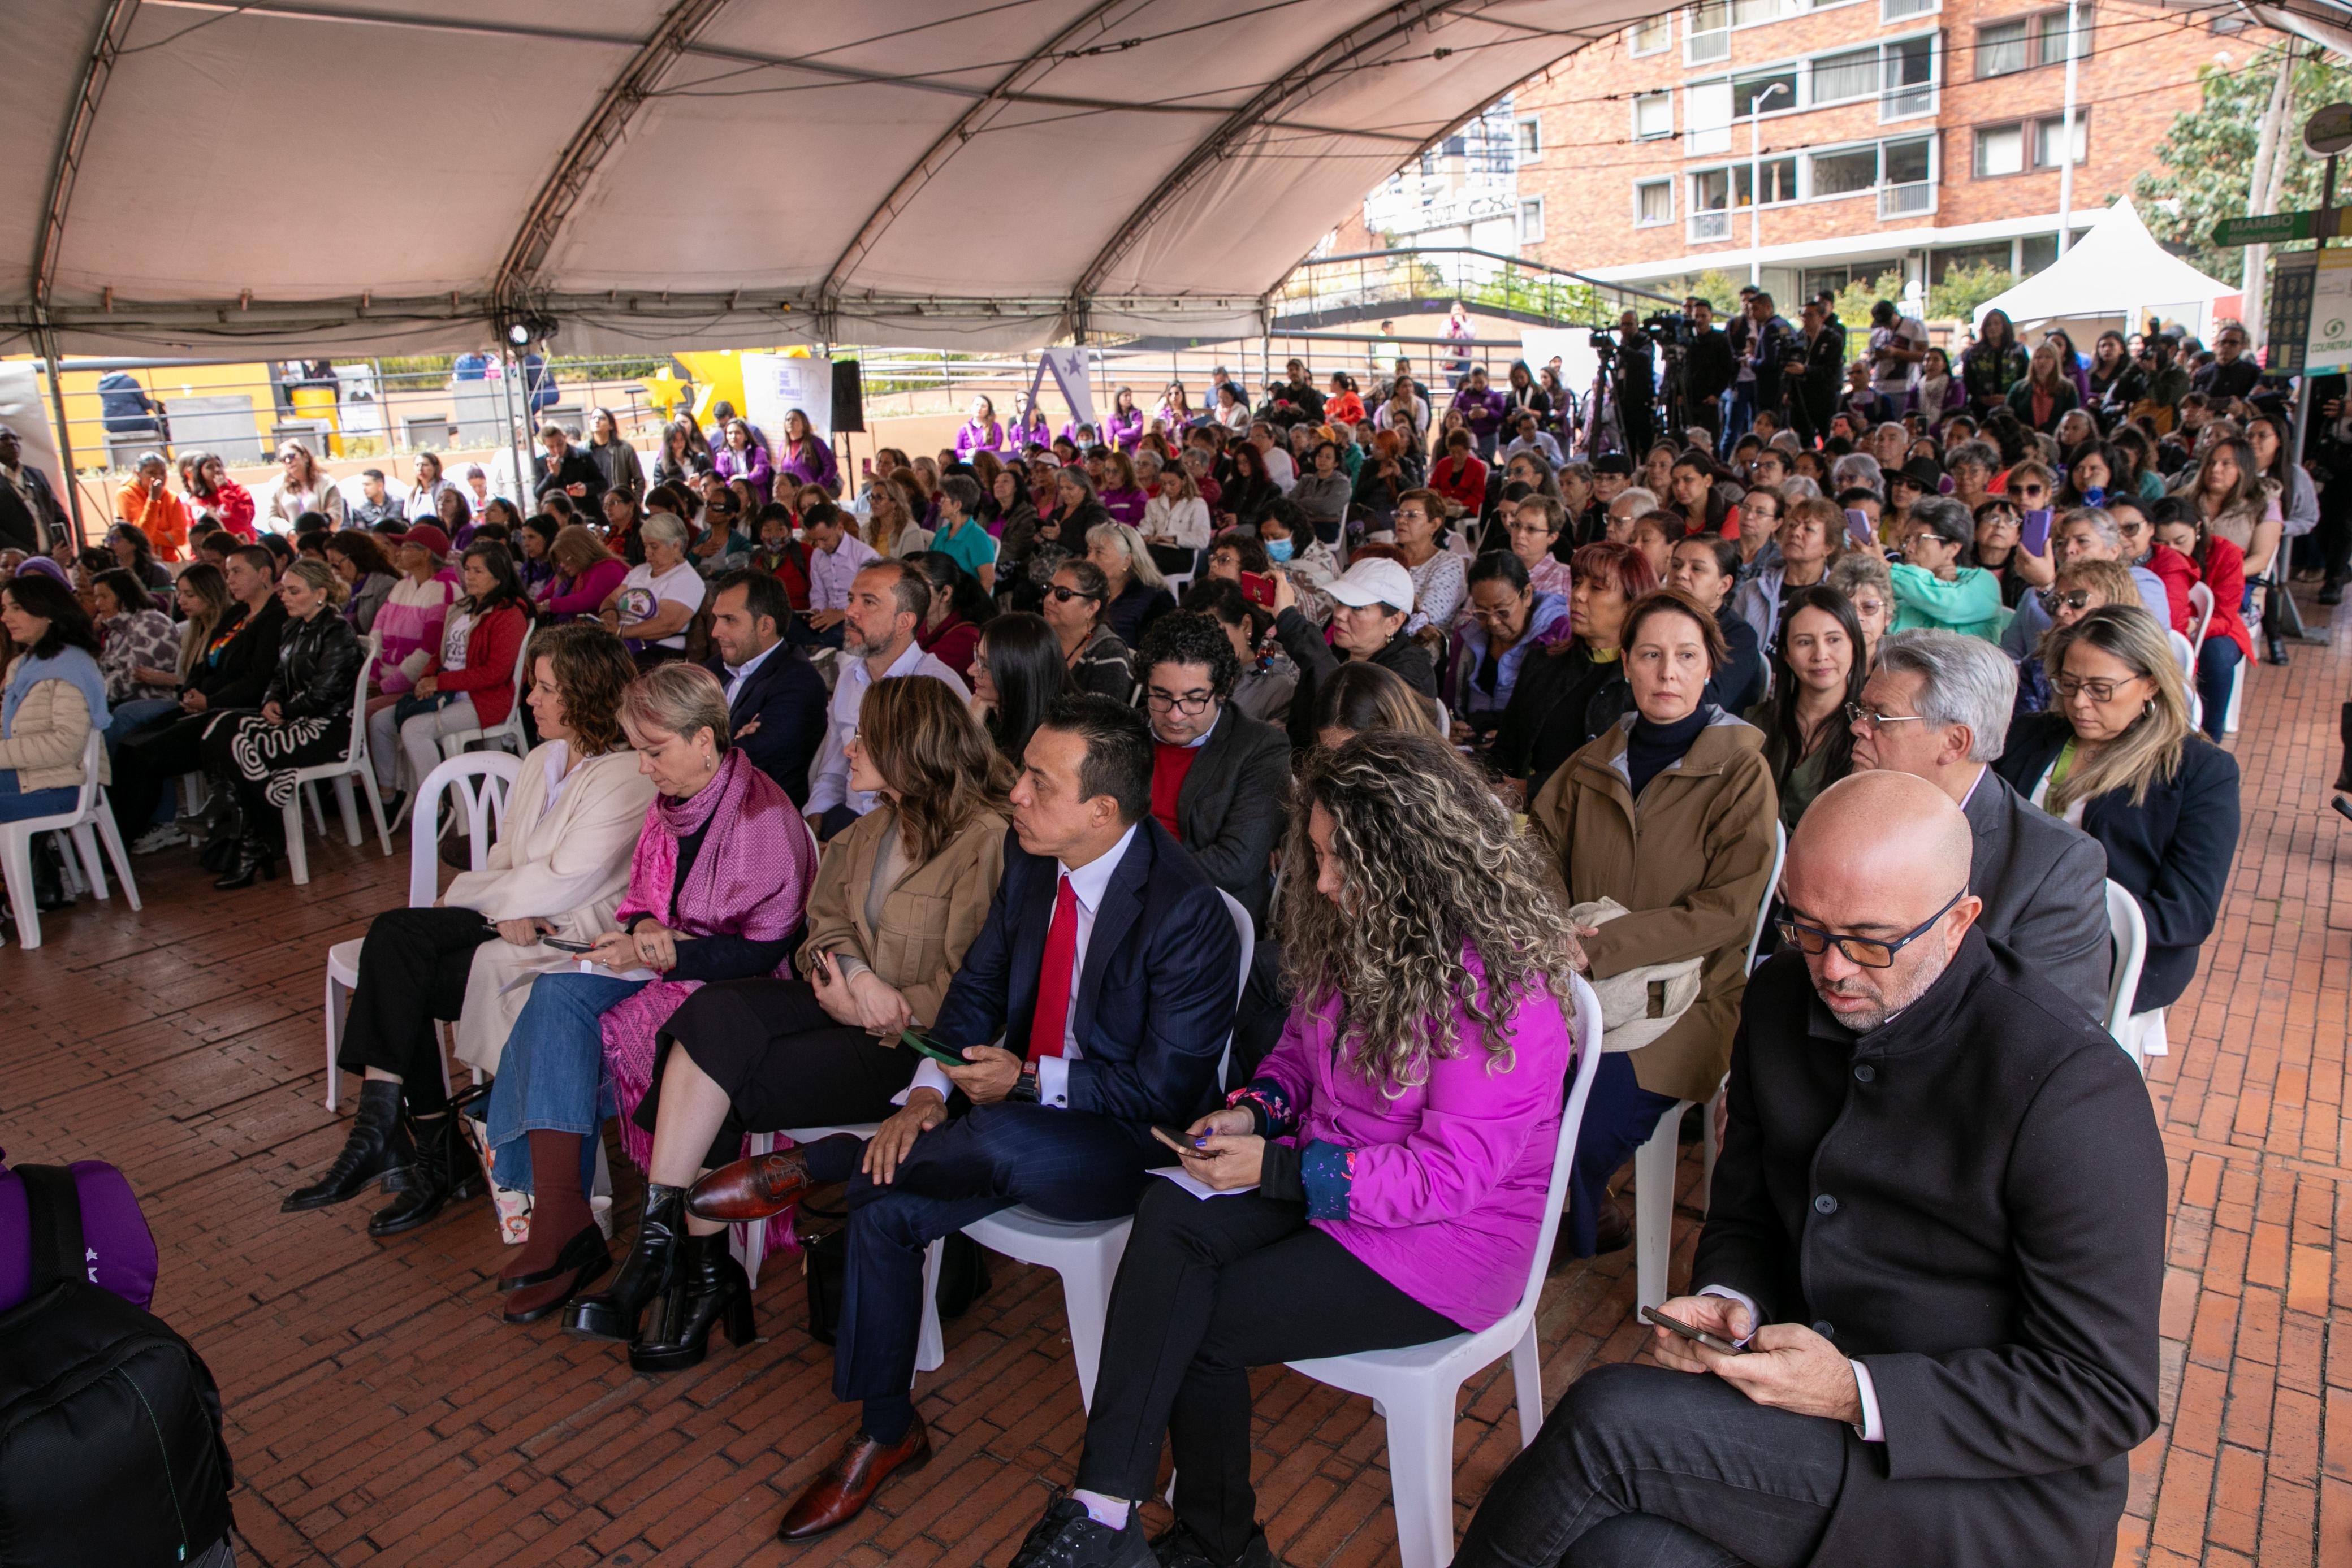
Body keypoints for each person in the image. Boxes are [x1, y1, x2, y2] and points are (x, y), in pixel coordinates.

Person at [1459, 769, 2164, 1568]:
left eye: (1869, 939)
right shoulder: (1779, 998)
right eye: (1807, 928)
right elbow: (1745, 1214)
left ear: (1960, 921)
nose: (1831, 969)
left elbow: (2105, 1392)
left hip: (1976, 1484)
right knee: (1618, 1553)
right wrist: (1731, 1302)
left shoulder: (2071, 1086)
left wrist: (1857, 1391)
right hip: (1803, 1423)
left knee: (1607, 1422)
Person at [1004, 729, 1579, 1568]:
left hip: (1444, 1247)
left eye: (1343, 861)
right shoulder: (1361, 934)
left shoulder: (1501, 992)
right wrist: (1255, 1113)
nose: (1324, 881)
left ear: (1414, 861)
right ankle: (1110, 1506)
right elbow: (1298, 1059)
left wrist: (1276, 1167)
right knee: (1167, 1205)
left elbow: (1446, 1180)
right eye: (1315, 854)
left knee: (1199, 1319)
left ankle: (1211, 1543)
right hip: (1335, 1181)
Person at [684, 695, 1242, 1540]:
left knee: (997, 1137)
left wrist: (1029, 1077)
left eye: (1037, 782)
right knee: (888, 1204)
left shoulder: (1185, 908)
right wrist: (923, 1093)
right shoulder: (1030, 863)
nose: (1013, 792)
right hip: (1010, 1113)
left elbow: (1166, 1089)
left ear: (1103, 809)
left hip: (1128, 1140)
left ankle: (835, 1160)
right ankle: (885, 1428)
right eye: (1021, 772)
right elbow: (978, 988)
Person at [618, 675, 1013, 1365]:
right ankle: (673, 1248)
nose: (849, 747)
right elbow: (822, 923)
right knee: (712, 1009)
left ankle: (694, 1266)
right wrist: (854, 980)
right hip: (844, 1006)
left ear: (909, 748)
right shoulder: (868, 832)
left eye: (865, 736)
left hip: (915, 1046)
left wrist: (883, 1001)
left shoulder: (986, 843)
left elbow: (978, 982)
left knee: (723, 1069)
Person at [473, 662, 812, 1328]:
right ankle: (566, 1215)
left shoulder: (762, 814)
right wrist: (646, 927)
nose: (643, 767)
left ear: (707, 739)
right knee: (554, 998)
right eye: (638, 748)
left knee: (563, 1029)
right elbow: (640, 899)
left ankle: (568, 1224)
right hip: (672, 966)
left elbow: (764, 949)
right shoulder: (676, 805)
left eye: (654, 751)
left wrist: (668, 948)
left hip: (737, 988)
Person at [284, 625, 655, 1233]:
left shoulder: (626, 774)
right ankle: (400, 1135)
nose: (528, 700)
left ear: (586, 693)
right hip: (516, 922)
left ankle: (417, 1145)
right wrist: (498, 907)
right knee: (398, 950)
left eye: (543, 688)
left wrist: (479, 904)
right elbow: (508, 861)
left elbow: (566, 880)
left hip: (572, 940)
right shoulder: (541, 758)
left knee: (400, 952)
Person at [1530, 588, 1778, 1258]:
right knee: (1507, 1102)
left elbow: (1729, 909)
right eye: (1650, 655)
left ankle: (1545, 1249)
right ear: (1628, 667)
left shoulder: (1739, 771)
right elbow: (1537, 860)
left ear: (1708, 670)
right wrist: (1559, 931)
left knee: (1578, 1127)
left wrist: (1604, 945)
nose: (1667, 672)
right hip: (1575, 981)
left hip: (1691, 995)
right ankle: (1573, 1220)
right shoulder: (1588, 765)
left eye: (1684, 656)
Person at [1998, 607, 2240, 1026]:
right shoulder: (2031, 735)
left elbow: (2188, 913)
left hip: (2107, 949)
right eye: (2068, 684)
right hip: (2007, 926)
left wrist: (2061, 921)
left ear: (2149, 684)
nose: (2079, 702)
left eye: (2101, 689)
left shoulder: (2198, 772)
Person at [1851, 629, 2113, 1010]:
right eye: (1861, 711)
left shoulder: (2056, 865)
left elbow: (2055, 1033)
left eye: (1882, 718)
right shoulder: (1850, 811)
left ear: (1955, 743)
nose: (1859, 727)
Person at [111, 545, 288, 859]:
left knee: (145, 758)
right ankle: (112, 836)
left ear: (264, 574)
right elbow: (203, 662)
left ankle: (116, 847)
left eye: (237, 571)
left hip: (234, 714)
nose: (229, 579)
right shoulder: (238, 614)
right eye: (228, 572)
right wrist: (191, 693)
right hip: (204, 704)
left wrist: (210, 701)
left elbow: (258, 680)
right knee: (127, 744)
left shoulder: (275, 618)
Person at [199, 559, 363, 889]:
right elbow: (278, 676)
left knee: (237, 743)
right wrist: (272, 701)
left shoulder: (336, 630)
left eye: (293, 591)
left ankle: (253, 837)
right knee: (220, 725)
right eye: (283, 590)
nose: (284, 597)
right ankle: (260, 835)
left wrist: (284, 710)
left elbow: (326, 694)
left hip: (328, 729)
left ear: (320, 594)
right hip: (297, 719)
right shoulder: (293, 627)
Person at [1134, 613, 1292, 927]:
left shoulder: (1260, 747)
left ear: (1223, 689)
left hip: (1204, 907)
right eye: (1162, 697)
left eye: (1194, 700)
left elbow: (1237, 864)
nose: (1176, 716)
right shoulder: (1125, 731)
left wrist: (1129, 870)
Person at [806, 557, 973, 841]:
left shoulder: (938, 688)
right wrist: (815, 820)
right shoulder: (850, 678)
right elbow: (833, 768)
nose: (850, 612)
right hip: (849, 820)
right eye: (851, 599)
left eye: (869, 602)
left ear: (904, 622)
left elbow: (952, 792)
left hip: (910, 833)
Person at [1492, 542, 1657, 795]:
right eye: (1578, 582)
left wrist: (1530, 790)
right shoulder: (1542, 661)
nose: (1578, 595)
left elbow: (1622, 776)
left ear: (1631, 605)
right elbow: (1507, 750)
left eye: (1597, 588)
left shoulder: (1644, 681)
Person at [373, 541, 533, 803]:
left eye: (478, 571)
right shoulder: (460, 608)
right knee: (380, 722)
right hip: (447, 692)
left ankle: (436, 804)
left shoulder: (508, 615)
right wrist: (426, 679)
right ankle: (390, 797)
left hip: (485, 699)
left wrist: (441, 682)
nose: (469, 576)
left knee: (415, 729)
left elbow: (496, 673)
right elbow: (439, 654)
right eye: (468, 569)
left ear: (498, 574)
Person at [1269, 557, 1436, 752]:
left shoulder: (1410, 670)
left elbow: (1348, 712)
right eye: (1340, 602)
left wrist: (1291, 622)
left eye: (1357, 608)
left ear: (1394, 621)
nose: (1339, 614)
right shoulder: (1339, 650)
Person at [701, 568, 827, 805]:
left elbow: (740, 766)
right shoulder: (716, 667)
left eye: (730, 620)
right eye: (716, 618)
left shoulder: (799, 684)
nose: (715, 632)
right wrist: (728, 740)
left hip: (761, 818)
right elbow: (673, 727)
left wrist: (697, 741)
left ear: (766, 626)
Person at [1745, 583, 1863, 832]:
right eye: (1804, 642)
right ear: (1786, 654)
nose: (1820, 655)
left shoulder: (1869, 731)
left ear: (1855, 645)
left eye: (1833, 640)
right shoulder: (1754, 724)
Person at [0, 573, 111, 835]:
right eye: (4, 609)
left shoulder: (72, 666)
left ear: (47, 612)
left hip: (63, 786)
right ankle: (36, 874)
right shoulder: (25, 664)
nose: (5, 618)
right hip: (34, 776)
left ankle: (34, 874)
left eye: (16, 608)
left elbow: (66, 745)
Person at [1449, 551, 1567, 737]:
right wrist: (1451, 728)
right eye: (1482, 612)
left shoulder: (1558, 635)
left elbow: (1561, 715)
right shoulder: (1467, 635)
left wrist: (1511, 738)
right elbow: (1450, 701)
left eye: (1502, 611)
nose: (1493, 622)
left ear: (1527, 595)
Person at [1879, 496, 2003, 639]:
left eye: (1921, 539)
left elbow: (1949, 605)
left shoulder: (1984, 582)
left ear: (1953, 548)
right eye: (1907, 540)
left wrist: (1887, 568)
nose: (1908, 549)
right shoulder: (1904, 588)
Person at [1669, 534, 1765, 712]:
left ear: (1724, 585)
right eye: (1676, 565)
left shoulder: (1739, 637)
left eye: (1697, 569)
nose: (1681, 574)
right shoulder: (1657, 621)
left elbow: (1708, 704)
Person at [600, 513, 704, 668]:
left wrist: (621, 631)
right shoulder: (640, 571)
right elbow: (611, 600)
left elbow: (668, 625)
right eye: (645, 545)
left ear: (676, 546)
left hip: (657, 653)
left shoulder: (687, 579)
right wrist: (609, 617)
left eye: (654, 546)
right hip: (622, 645)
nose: (647, 552)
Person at [1732, 495, 1836, 648]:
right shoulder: (1753, 590)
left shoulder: (1836, 595)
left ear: (1828, 547)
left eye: (1808, 529)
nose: (1796, 533)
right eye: (1792, 525)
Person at [969, 609, 1066, 765]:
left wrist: (971, 734)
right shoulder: (989, 709)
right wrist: (973, 724)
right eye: (977, 658)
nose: (971, 671)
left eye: (985, 665)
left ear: (1019, 674)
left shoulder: (1058, 740)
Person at [1043, 558, 1140, 708]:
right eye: (1048, 589)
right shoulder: (1040, 636)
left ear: (1092, 608)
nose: (1049, 599)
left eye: (1063, 594)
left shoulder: (1109, 652)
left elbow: (1102, 721)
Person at [90, 569, 178, 714]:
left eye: (104, 597)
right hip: (119, 701)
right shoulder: (118, 628)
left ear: (124, 597)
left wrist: (94, 696)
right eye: (97, 598)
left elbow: (135, 677)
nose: (98, 604)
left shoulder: (150, 623)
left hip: (149, 703)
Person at [1086, 522, 1175, 648]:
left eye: (1099, 553)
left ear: (1127, 561)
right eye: (1089, 551)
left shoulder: (1155, 599)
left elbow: (1159, 653)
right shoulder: (1088, 592)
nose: (1089, 559)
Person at [1389, 488, 1467, 631]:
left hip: (1421, 642)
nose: (1401, 521)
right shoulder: (1389, 558)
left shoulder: (1448, 563)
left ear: (1434, 525)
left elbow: (1425, 617)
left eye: (1411, 515)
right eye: (1398, 515)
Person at [0, 423, 72, 555]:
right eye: (4, 438)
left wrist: (63, 545)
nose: (12, 443)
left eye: (15, 438)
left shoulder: (36, 475)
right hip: (14, 562)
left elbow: (59, 515)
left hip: (51, 558)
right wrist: (27, 553)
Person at [929, 474, 998, 595]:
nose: (940, 503)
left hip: (965, 602)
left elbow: (988, 580)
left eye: (944, 498)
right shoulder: (942, 534)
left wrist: (974, 608)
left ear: (957, 505)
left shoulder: (977, 537)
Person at [116, 454, 189, 564]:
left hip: (169, 562)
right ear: (138, 474)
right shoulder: (126, 494)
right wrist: (153, 500)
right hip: (138, 563)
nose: (159, 477)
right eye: (151, 473)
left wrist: (152, 535)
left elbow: (181, 538)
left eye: (163, 473)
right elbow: (142, 535)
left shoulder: (172, 498)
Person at [265, 440, 347, 532]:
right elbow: (272, 517)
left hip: (321, 540)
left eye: (292, 456)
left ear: (305, 457)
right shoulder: (277, 484)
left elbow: (335, 516)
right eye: (283, 459)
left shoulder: (326, 483)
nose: (288, 461)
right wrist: (289, 533)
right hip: (290, 541)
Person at [1961, 307, 2030, 417]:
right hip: (1980, 408)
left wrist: (2009, 396)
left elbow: (2024, 377)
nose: (1992, 327)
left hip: (2012, 406)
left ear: (2005, 326)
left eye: (1997, 323)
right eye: (1989, 324)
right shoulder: (1974, 353)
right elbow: (1968, 379)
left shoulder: (2018, 351)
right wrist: (1981, 397)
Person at [534, 423, 609, 514]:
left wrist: (586, 488)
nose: (557, 449)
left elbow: (603, 484)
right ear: (545, 445)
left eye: (560, 443)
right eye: (551, 447)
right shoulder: (541, 463)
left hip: (586, 512)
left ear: (565, 438)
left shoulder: (583, 456)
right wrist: (553, 475)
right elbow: (538, 494)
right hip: (557, 516)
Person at [585, 406, 645, 503]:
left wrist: (634, 504)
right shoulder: (583, 450)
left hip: (618, 507)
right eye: (593, 418)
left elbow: (639, 481)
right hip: (593, 507)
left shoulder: (625, 449)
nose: (596, 421)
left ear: (611, 425)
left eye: (601, 418)